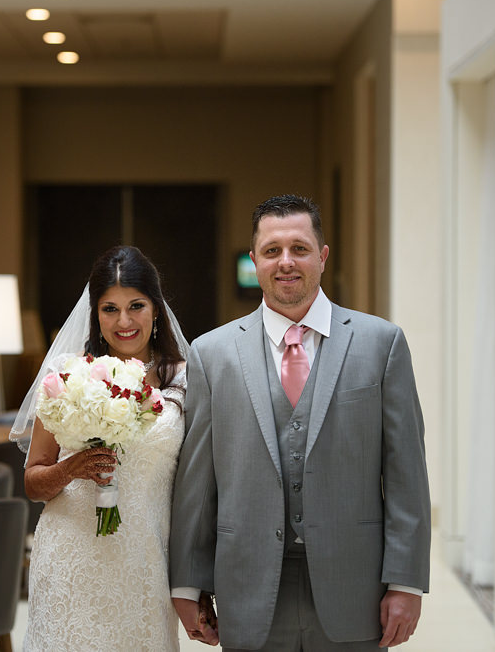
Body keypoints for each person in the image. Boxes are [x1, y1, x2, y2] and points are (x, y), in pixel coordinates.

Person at [169, 194, 431, 651]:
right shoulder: (211, 354)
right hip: (248, 584)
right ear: (255, 260)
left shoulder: (381, 344)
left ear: (323, 257)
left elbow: (407, 472)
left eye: (299, 248)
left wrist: (406, 582)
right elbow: (198, 482)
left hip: (355, 586)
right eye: (272, 251)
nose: (285, 262)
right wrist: (188, 584)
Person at [10, 245, 190, 651]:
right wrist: (69, 469)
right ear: (95, 314)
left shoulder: (186, 381)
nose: (124, 321)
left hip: (145, 562)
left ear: (157, 309)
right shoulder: (66, 378)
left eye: (136, 306)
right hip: (71, 557)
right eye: (109, 309)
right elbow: (33, 482)